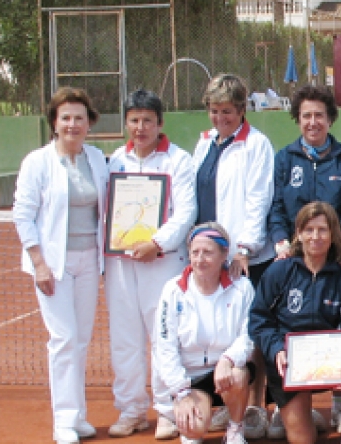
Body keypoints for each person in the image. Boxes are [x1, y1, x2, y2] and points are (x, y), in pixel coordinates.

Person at [268, 84, 341, 434]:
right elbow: (277, 205)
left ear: (330, 119)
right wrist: (281, 241)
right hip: (295, 258)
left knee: (336, 319)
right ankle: (287, 404)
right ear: (298, 119)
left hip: (334, 257)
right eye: (306, 115)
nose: (313, 122)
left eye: (319, 115)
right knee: (291, 319)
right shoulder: (284, 158)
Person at [13, 87, 109, 444]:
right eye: (65, 118)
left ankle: (78, 416)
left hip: (89, 261)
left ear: (89, 123)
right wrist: (39, 263)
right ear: (54, 122)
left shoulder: (97, 159)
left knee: (81, 338)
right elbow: (23, 215)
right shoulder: (37, 162)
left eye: (79, 118)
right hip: (53, 264)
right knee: (64, 338)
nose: (72, 124)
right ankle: (63, 421)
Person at [106, 90, 198, 439]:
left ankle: (167, 410)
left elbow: (186, 211)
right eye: (134, 120)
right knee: (124, 339)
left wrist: (156, 243)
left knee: (164, 336)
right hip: (121, 265)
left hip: (161, 263)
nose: (140, 127)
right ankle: (131, 410)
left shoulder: (178, 160)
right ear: (126, 123)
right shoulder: (116, 160)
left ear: (160, 123)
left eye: (147, 120)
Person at [192, 73, 275, 438]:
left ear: (241, 109)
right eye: (214, 110)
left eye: (227, 110)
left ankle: (256, 406)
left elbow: (259, 199)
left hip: (247, 257)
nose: (220, 117)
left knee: (253, 331)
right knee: (223, 332)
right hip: (212, 255)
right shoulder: (205, 143)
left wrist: (245, 248)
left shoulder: (257, 144)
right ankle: (232, 404)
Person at [250, 202, 341, 444]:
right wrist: (277, 349)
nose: (316, 236)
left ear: (333, 234)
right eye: (309, 230)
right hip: (291, 365)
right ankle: (302, 414)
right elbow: (259, 320)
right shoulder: (279, 272)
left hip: (331, 364)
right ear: (299, 234)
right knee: (303, 439)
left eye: (323, 230)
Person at [154, 223, 255, 444]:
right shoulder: (172, 291)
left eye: (208, 252)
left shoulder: (242, 288)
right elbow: (164, 346)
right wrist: (181, 393)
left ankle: (235, 428)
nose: (200, 259)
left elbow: (249, 335)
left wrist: (228, 359)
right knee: (194, 430)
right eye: (195, 252)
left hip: (226, 373)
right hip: (190, 379)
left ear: (224, 255)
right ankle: (198, 413)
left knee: (239, 375)